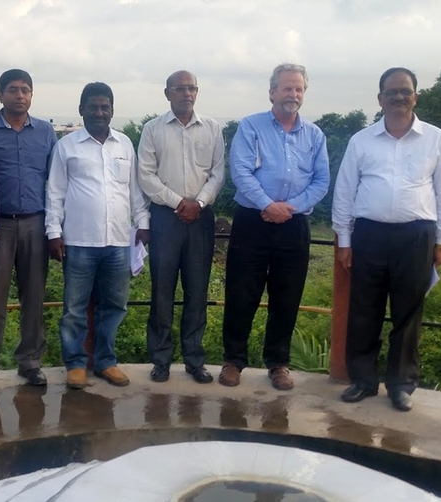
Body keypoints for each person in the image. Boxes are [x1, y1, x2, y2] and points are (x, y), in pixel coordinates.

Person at [333, 67, 441, 412]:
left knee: (408, 313)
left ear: (416, 96)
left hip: (416, 235)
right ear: (380, 99)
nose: (399, 97)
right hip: (370, 234)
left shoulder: (436, 139)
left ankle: (401, 385)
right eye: (391, 92)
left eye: (405, 91)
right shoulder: (361, 141)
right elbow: (344, 191)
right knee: (364, 310)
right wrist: (344, 240)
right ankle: (362, 380)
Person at [221, 63, 329, 391]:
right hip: (253, 221)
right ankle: (233, 360)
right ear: (272, 92)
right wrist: (268, 205)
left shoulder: (314, 135)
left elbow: (321, 180)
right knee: (242, 292)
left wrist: (288, 209)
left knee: (287, 296)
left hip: (293, 224)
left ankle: (278, 363)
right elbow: (240, 170)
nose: (292, 94)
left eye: (298, 89)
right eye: (286, 88)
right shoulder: (251, 127)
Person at [46, 82, 150, 390]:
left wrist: (143, 221)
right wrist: (53, 232)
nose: (99, 112)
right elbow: (55, 192)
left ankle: (106, 361)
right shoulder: (67, 146)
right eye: (93, 107)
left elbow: (134, 190)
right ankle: (76, 364)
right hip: (79, 241)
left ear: (112, 111)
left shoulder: (124, 144)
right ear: (82, 110)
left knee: (115, 306)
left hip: (119, 241)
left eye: (105, 107)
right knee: (74, 308)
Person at [0, 69, 58, 392]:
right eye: (13, 90)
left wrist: (54, 227)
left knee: (34, 295)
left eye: (25, 90)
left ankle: (30, 362)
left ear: (32, 95)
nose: (19, 95)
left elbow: (56, 181)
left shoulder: (46, 132)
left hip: (36, 221)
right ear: (0, 95)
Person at [137, 70, 225, 384]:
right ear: (167, 93)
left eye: (192, 88)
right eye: (180, 89)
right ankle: (160, 360)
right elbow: (145, 175)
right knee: (162, 290)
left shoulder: (213, 128)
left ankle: (194, 359)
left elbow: (217, 174)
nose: (187, 94)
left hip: (200, 219)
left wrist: (198, 204)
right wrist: (178, 202)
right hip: (165, 218)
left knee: (197, 291)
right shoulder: (152, 129)